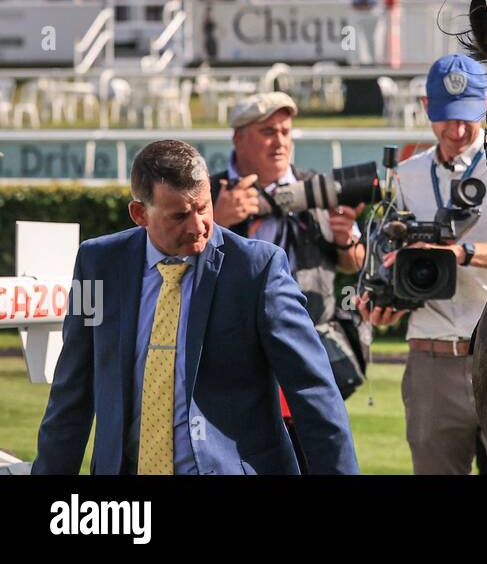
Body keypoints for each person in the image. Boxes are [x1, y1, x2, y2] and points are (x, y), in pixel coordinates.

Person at [34, 140, 358, 475]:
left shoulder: (259, 270)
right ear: (140, 214)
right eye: (179, 215)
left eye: (203, 207)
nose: (198, 225)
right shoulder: (95, 265)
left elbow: (314, 391)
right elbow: (71, 391)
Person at [358, 56, 487, 475]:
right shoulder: (404, 176)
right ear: (427, 107)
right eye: (445, 118)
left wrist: (463, 254)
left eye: (466, 118)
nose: (456, 131)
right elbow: (382, 259)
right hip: (431, 360)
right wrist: (380, 304)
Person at [210, 92, 369, 447]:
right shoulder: (206, 194)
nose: (280, 141)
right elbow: (176, 266)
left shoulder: (318, 186)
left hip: (310, 346)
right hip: (236, 351)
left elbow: (354, 261)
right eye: (268, 131)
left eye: (285, 131)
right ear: (239, 137)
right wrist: (217, 222)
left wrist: (346, 241)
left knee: (314, 454)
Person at [382, 0, 403, 68]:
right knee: (390, 38)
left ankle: (394, 61)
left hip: (392, 13)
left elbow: (394, 1)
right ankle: (390, 59)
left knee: (393, 37)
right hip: (391, 13)